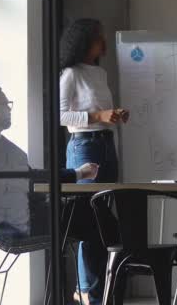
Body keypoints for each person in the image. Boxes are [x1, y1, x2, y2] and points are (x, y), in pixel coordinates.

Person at [0, 84, 98, 239]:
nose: (9, 110)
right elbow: (30, 180)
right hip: (21, 225)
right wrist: (78, 174)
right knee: (93, 207)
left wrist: (76, 175)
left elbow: (24, 180)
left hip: (14, 222)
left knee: (88, 210)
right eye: (7, 105)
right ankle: (122, 256)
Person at [59, 18, 128, 305]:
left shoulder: (99, 73)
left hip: (105, 144)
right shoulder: (70, 74)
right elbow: (61, 116)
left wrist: (114, 116)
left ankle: (98, 291)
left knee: (101, 222)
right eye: (99, 37)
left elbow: (99, 111)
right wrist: (99, 116)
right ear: (85, 41)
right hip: (84, 147)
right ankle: (86, 291)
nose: (104, 42)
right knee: (88, 220)